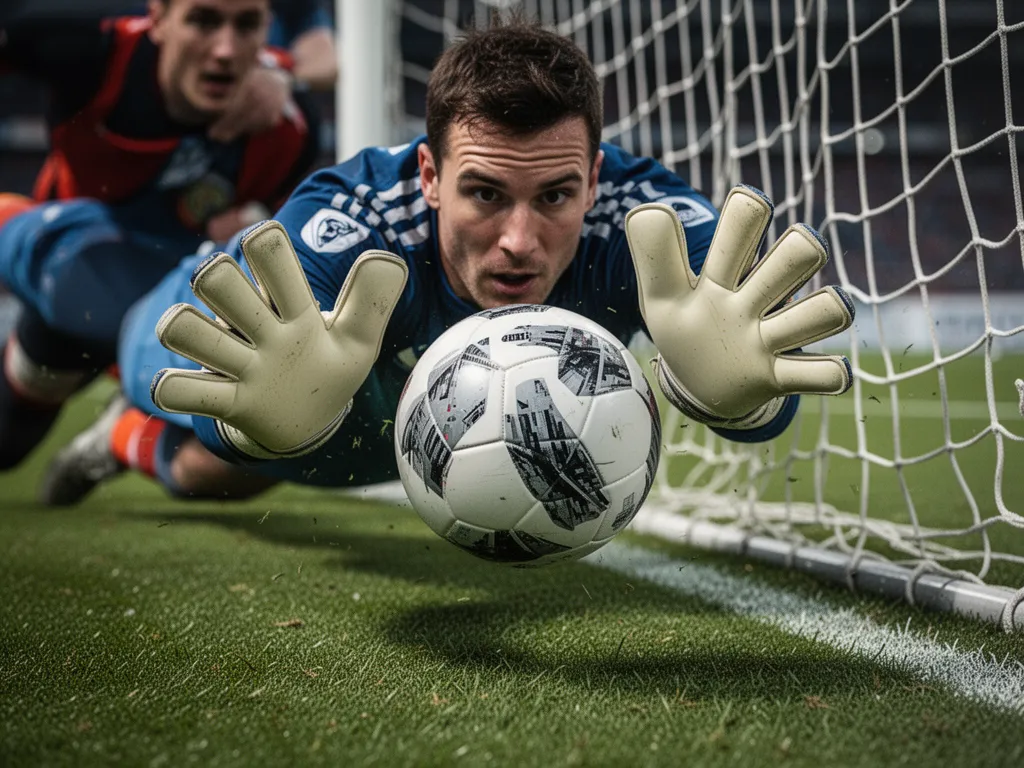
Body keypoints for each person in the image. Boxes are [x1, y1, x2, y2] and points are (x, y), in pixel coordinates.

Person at [40, 18, 854, 506]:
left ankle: (132, 447)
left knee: (240, 475)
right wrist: (252, 418)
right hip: (334, 375)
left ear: (598, 177)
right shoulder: (351, 220)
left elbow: (756, 367)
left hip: (390, 405)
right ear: (427, 177)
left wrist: (740, 400)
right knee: (238, 450)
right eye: (486, 194)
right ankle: (124, 433)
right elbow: (191, 356)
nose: (520, 242)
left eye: (557, 197)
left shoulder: (648, 227)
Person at [0, 0, 321, 470]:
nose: (226, 50)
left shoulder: (288, 129)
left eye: (247, 25)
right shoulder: (90, 49)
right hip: (64, 254)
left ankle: (122, 435)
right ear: (159, 18)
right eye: (203, 21)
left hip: (145, 289)